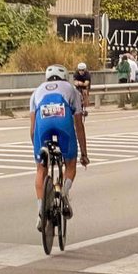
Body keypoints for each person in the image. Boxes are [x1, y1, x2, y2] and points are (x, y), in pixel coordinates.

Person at [30, 64, 89, 232]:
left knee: (41, 169)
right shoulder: (72, 90)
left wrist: (38, 152)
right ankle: (64, 192)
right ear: (65, 77)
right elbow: (78, 124)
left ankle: (41, 212)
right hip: (64, 123)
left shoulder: (36, 92)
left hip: (43, 126)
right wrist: (83, 154)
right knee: (70, 164)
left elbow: (32, 129)